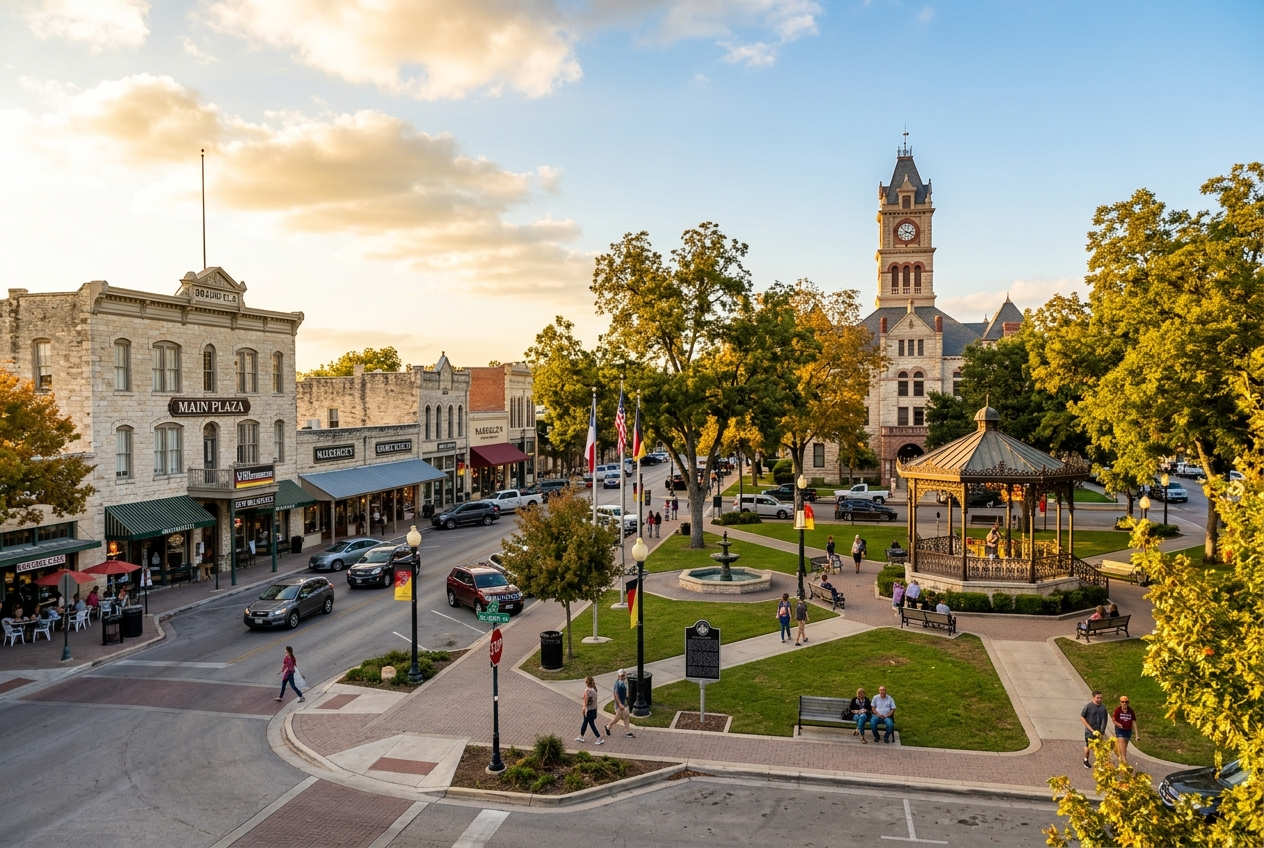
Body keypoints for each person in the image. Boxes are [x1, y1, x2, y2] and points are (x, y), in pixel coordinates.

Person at [1080, 690, 1107, 768]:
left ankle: (1099, 762)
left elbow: (1105, 720)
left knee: (1099, 747)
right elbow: (1082, 717)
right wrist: (1090, 729)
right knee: (1088, 746)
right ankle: (1086, 760)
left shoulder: (1103, 708)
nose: (1099, 700)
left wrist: (1102, 731)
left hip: (1099, 731)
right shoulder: (1088, 706)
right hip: (1089, 730)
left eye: (1101, 698)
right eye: (1098, 698)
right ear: (1093, 698)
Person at [605, 669, 635, 738]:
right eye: (620, 676)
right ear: (618, 676)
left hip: (624, 702)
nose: (622, 677)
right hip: (619, 704)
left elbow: (627, 677)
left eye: (623, 675)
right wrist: (620, 704)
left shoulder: (624, 681)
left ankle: (628, 732)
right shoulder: (618, 684)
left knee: (626, 715)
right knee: (618, 718)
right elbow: (616, 694)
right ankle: (608, 726)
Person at [1112, 696, 1138, 764]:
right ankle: (1125, 766)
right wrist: (1117, 724)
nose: (1124, 703)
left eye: (1126, 702)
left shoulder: (1130, 711)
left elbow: (1134, 722)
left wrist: (1137, 735)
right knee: (1123, 754)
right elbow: (1114, 719)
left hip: (1128, 731)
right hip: (1120, 731)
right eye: (1122, 702)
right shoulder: (1118, 710)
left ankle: (1120, 761)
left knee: (1123, 749)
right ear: (1120, 702)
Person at [577, 676, 603, 744]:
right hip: (594, 709)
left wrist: (583, 709)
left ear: (586, 683)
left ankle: (599, 738)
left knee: (591, 724)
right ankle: (581, 736)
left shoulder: (587, 691)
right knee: (585, 723)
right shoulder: (594, 690)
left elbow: (586, 701)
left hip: (588, 710)